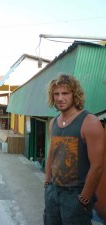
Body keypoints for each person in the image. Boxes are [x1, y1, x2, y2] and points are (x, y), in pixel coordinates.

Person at [44, 74, 105, 225]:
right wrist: (47, 184)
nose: (60, 98)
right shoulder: (53, 122)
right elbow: (52, 154)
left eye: (65, 93)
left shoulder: (90, 122)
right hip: (53, 192)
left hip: (75, 195)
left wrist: (84, 197)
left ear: (74, 94)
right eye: (56, 94)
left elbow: (97, 166)